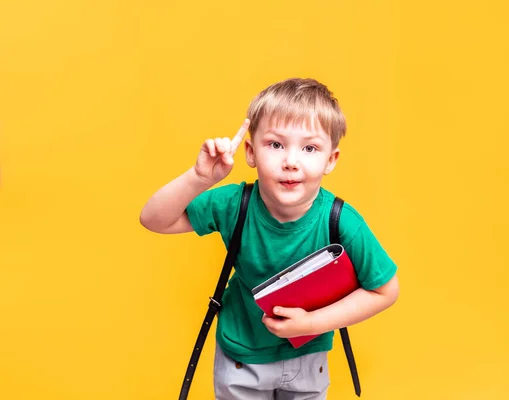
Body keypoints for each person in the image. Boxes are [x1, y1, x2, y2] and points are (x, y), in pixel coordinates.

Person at [140, 78, 399, 399]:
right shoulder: (234, 203)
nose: (291, 161)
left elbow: (385, 291)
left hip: (307, 357)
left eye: (309, 148)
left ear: (331, 159)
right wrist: (198, 179)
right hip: (241, 357)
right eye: (276, 144)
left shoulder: (341, 220)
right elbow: (153, 220)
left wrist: (312, 323)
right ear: (250, 152)